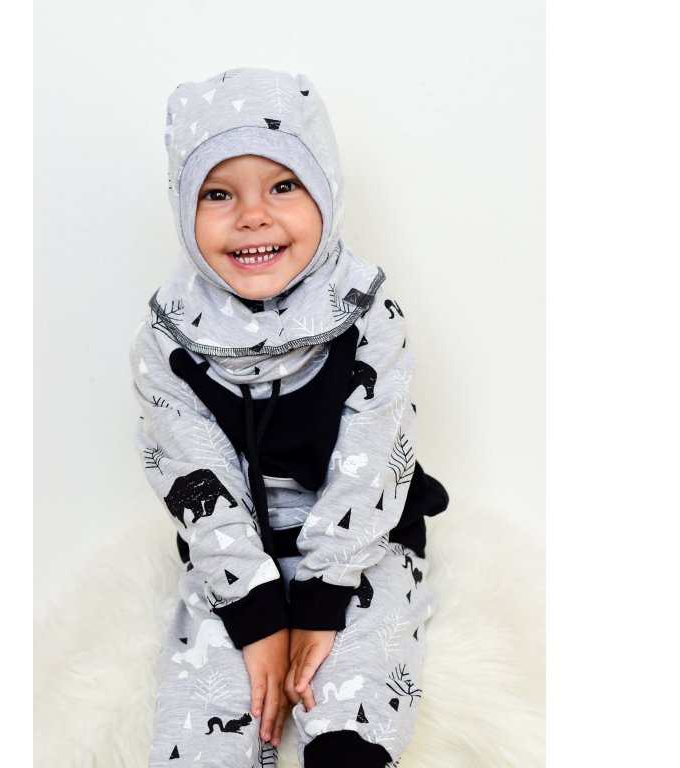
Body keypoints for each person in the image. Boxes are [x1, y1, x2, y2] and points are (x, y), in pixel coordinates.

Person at [130, 67, 448, 768]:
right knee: (208, 695)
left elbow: (372, 463)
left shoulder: (368, 316)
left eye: (283, 185)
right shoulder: (166, 341)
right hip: (237, 551)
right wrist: (256, 618)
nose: (253, 216)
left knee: (364, 669)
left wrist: (323, 601)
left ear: (326, 190)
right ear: (183, 206)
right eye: (218, 193)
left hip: (363, 542)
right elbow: (193, 474)